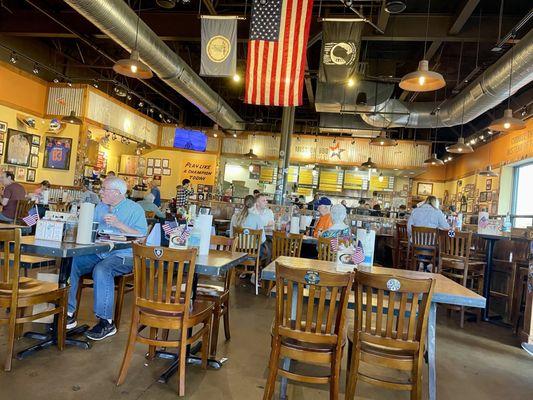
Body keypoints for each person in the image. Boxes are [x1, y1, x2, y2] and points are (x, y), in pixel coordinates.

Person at [66, 177, 148, 340]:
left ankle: (106, 322)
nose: (100, 192)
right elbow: (91, 228)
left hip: (124, 255)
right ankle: (68, 312)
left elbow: (142, 236)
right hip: (99, 252)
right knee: (72, 261)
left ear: (117, 193)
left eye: (104, 189)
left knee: (103, 269)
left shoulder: (135, 209)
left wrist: (119, 224)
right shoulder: (101, 207)